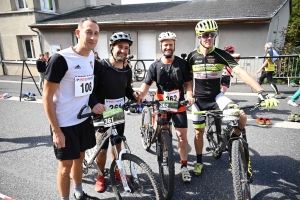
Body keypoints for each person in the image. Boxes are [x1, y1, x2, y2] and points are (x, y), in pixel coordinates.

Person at [186, 19, 279, 178]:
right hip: (198, 100)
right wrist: (189, 94)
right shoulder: (192, 56)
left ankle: (234, 140)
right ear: (199, 37)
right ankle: (200, 161)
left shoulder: (221, 54)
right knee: (198, 133)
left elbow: (241, 72)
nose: (209, 38)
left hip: (216, 97)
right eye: (205, 35)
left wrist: (261, 91)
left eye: (212, 35)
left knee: (241, 117)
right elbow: (188, 79)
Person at [43, 17, 99, 200]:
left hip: (83, 120)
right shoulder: (61, 59)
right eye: (88, 32)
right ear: (78, 33)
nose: (92, 37)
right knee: (65, 166)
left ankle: (79, 192)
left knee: (80, 159)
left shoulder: (91, 56)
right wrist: (56, 130)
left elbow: (86, 88)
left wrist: (94, 104)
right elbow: (47, 96)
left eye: (96, 33)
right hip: (64, 124)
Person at [138, 31, 194, 183]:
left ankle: (184, 166)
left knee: (182, 135)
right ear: (161, 46)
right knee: (161, 132)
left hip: (178, 104)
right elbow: (146, 85)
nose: (168, 47)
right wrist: (139, 97)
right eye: (165, 45)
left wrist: (189, 95)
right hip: (161, 103)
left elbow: (188, 83)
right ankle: (161, 142)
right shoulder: (154, 66)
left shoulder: (182, 64)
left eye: (170, 44)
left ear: (174, 45)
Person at [88, 32, 140, 193]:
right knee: (102, 148)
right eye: (120, 47)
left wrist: (134, 95)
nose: (123, 51)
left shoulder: (126, 69)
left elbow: (127, 89)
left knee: (117, 143)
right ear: (112, 47)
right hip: (101, 112)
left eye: (126, 48)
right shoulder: (100, 65)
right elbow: (90, 89)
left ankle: (117, 170)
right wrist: (94, 104)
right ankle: (100, 175)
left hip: (117, 112)